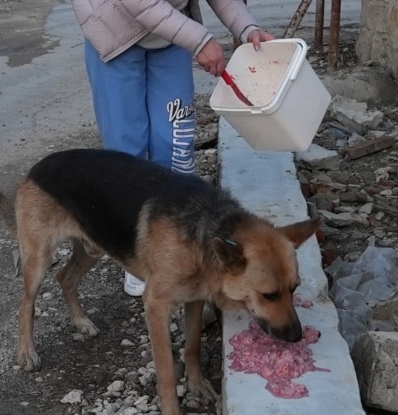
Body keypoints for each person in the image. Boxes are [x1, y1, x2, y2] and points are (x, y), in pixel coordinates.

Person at [71, 0, 275, 296]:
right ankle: (134, 254)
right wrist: (200, 40)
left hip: (171, 36)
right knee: (126, 149)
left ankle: (175, 246)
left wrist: (247, 27)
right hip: (113, 30)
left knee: (176, 142)